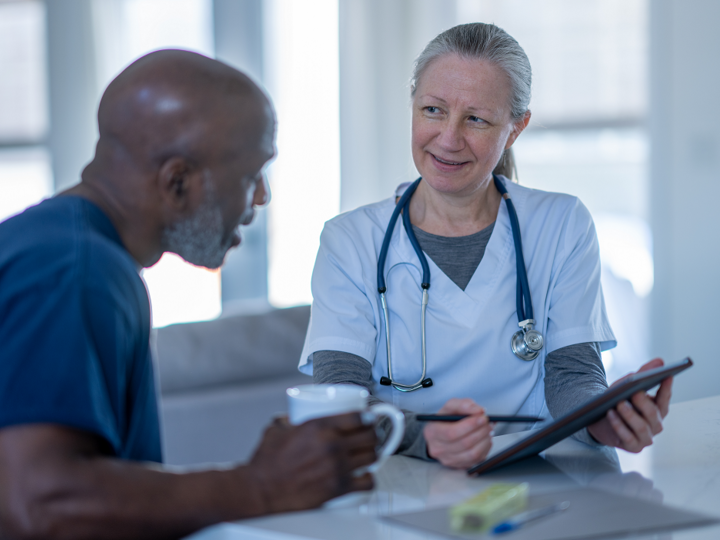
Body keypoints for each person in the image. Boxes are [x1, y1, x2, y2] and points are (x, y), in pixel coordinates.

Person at [0, 50, 377, 539]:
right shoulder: (78, 271)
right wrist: (261, 485)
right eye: (250, 175)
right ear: (177, 182)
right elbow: (39, 503)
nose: (261, 196)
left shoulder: (52, 244)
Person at [299, 23, 672, 470]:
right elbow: (340, 398)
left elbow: (574, 375)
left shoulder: (561, 224)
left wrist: (602, 419)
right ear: (413, 107)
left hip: (537, 476)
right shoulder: (349, 242)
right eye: (434, 110)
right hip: (399, 483)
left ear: (516, 128)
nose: (449, 138)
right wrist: (426, 438)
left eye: (476, 119)